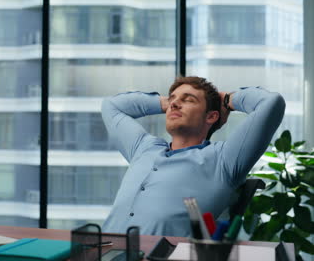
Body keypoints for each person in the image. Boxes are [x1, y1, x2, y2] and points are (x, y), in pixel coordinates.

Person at [101, 76, 285, 236]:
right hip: (101, 253)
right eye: (173, 99)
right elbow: (111, 106)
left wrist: (228, 99)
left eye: (188, 100)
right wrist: (166, 103)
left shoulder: (224, 159)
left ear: (211, 117)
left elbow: (271, 103)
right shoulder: (144, 147)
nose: (174, 103)